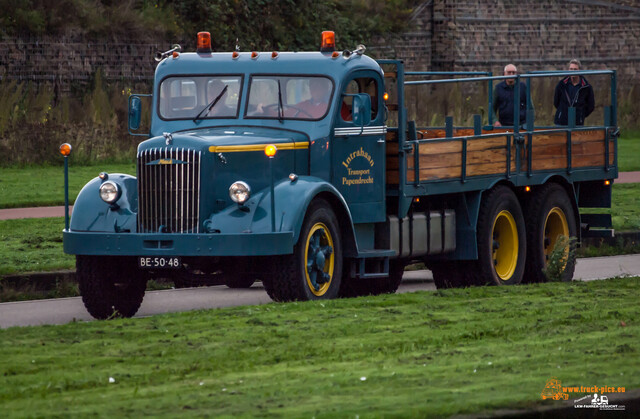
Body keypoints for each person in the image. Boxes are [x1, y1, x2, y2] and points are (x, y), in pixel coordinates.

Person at [553, 59, 595, 126]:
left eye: (575, 69)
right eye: (571, 69)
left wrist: (581, 115)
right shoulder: (561, 84)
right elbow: (556, 102)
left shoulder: (586, 87)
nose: (573, 71)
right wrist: (562, 111)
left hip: (577, 123)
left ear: (579, 70)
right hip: (561, 122)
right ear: (568, 70)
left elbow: (591, 106)